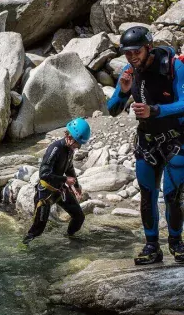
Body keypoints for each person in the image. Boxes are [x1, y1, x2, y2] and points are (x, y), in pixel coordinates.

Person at [107, 26, 184, 265]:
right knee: (147, 196)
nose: (132, 57)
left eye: (136, 52)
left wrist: (155, 110)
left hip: (175, 141)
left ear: (148, 48)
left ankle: (176, 243)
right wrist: (123, 92)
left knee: (173, 197)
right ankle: (152, 247)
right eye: (127, 53)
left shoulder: (173, 66)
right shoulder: (129, 71)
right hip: (146, 142)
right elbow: (112, 110)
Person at [22, 118, 91, 244]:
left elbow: (69, 167)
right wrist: (65, 179)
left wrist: (76, 185)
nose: (78, 147)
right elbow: (43, 174)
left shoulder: (70, 149)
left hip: (60, 190)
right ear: (69, 137)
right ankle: (24, 246)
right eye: (78, 144)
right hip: (45, 193)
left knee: (79, 216)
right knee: (37, 230)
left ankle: (71, 238)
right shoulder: (55, 149)